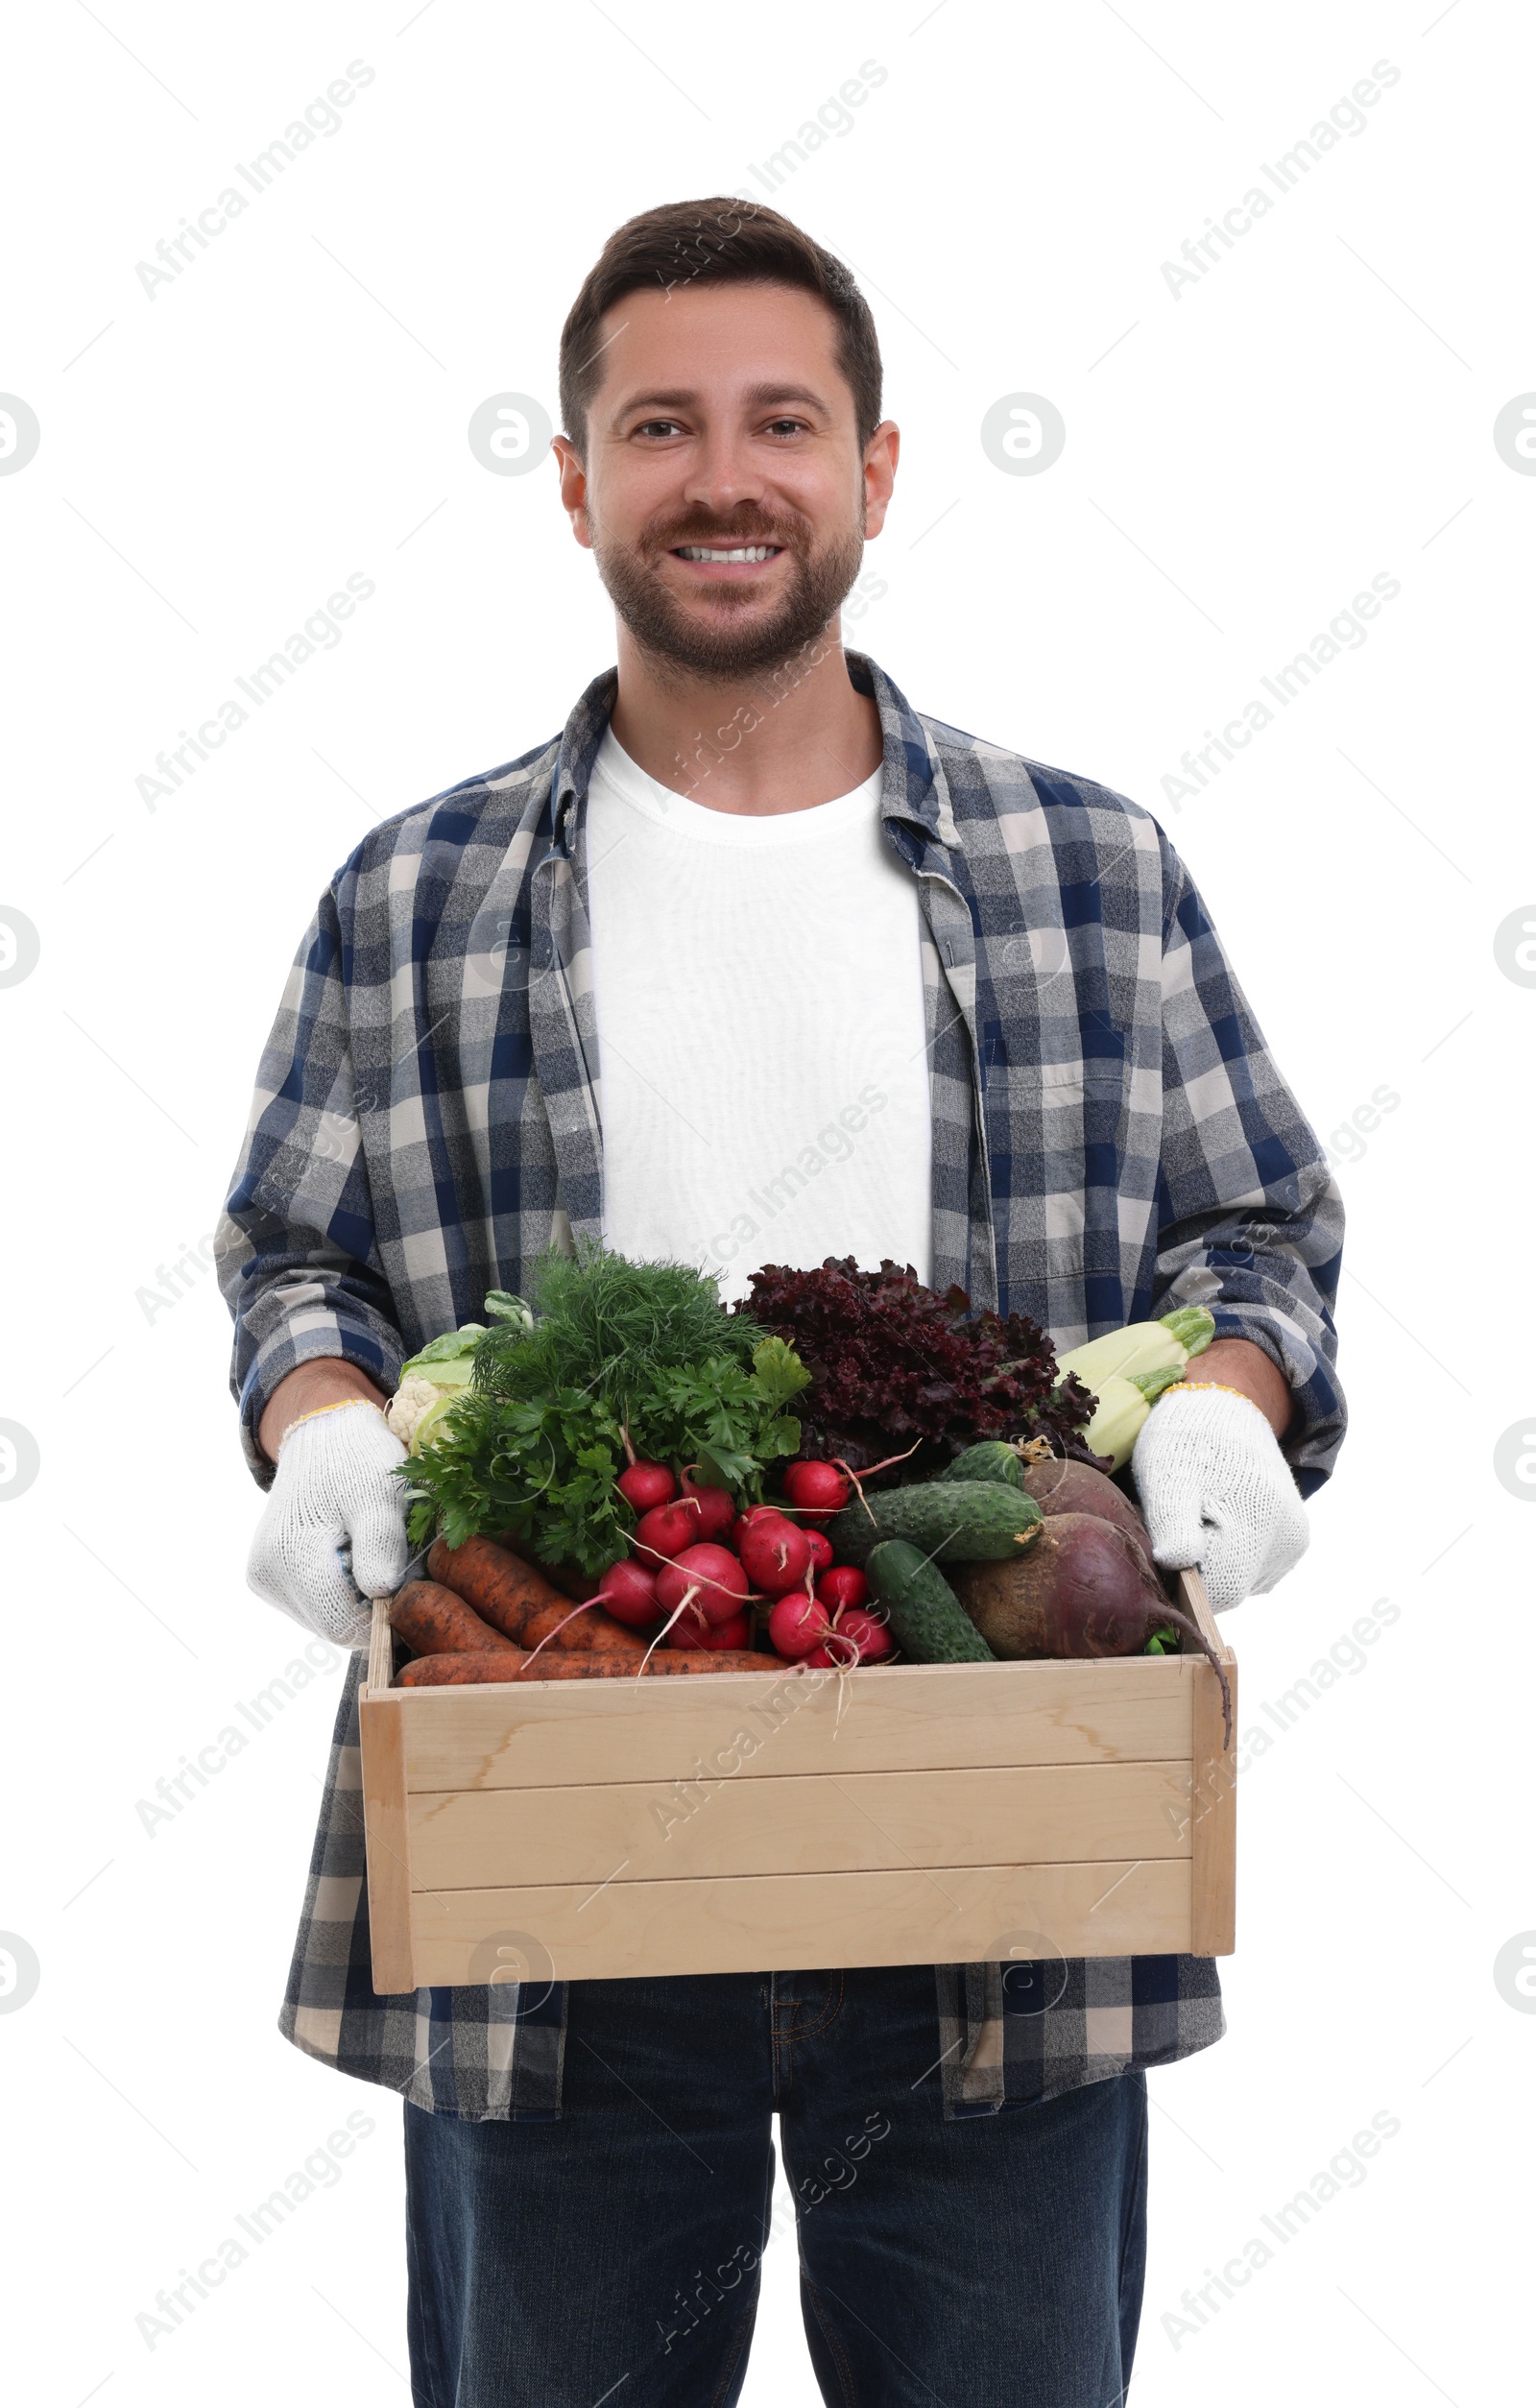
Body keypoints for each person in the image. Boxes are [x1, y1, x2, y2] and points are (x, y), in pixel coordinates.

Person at [218, 196, 1344, 2408]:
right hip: (558, 1855)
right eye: (657, 426)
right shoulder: (413, 893)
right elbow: (299, 1260)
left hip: (995, 1869)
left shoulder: (1083, 868)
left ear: (873, 471)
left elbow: (1252, 1236)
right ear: (573, 482)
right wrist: (322, 1424)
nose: (720, 478)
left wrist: (1217, 1404)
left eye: (779, 423)